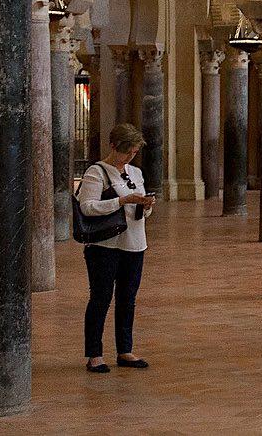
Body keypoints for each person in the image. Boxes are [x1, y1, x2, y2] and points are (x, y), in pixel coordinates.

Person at [76, 123, 156, 374]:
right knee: (100, 298)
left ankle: (125, 349)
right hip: (104, 245)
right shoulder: (96, 172)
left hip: (135, 243)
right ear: (113, 146)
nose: (130, 156)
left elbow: (139, 211)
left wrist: (145, 205)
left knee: (127, 299)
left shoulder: (136, 173)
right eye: (127, 152)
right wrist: (121, 200)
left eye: (133, 152)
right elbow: (86, 207)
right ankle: (95, 354)